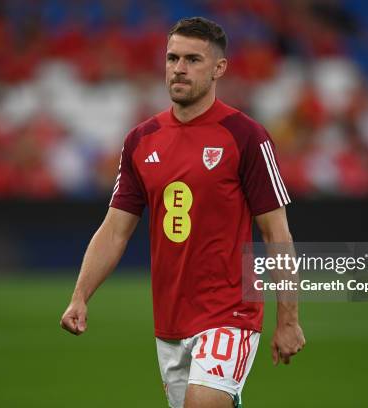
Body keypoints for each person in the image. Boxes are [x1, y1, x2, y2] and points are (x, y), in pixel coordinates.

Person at [60, 16, 305, 408]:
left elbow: (277, 233)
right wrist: (80, 296)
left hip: (231, 312)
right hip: (170, 319)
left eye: (193, 59)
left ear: (219, 68)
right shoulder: (141, 140)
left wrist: (288, 320)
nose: (179, 68)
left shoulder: (246, 136)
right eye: (172, 58)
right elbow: (115, 231)